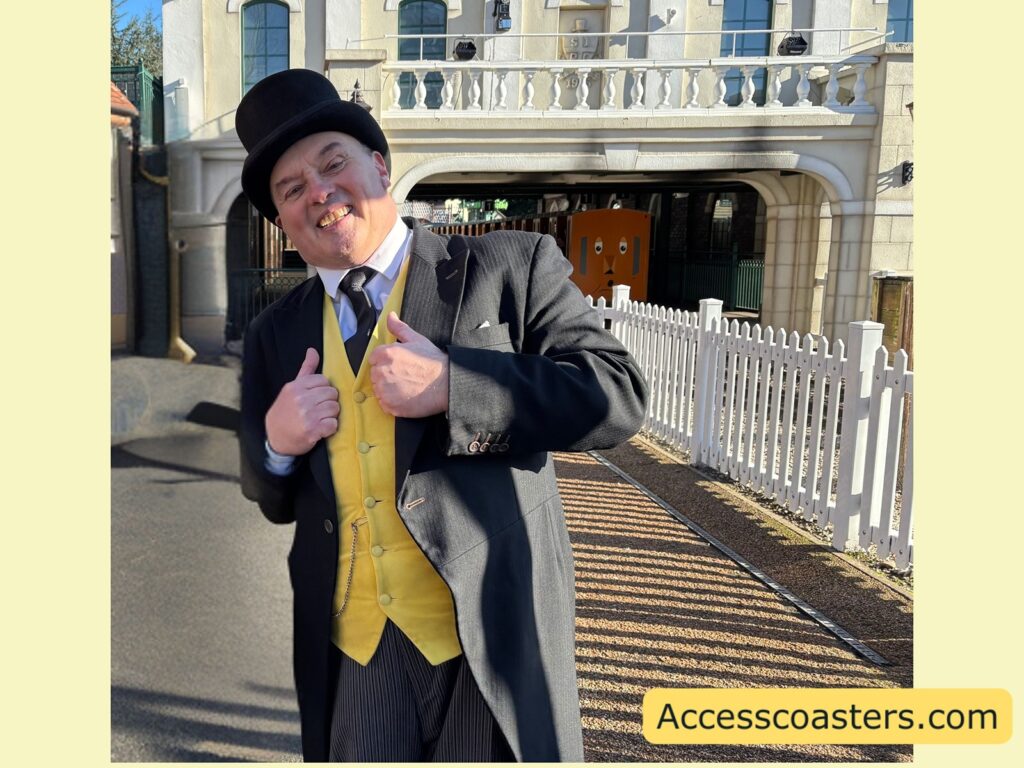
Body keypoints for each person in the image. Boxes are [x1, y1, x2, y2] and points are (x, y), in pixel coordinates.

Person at [236, 68, 647, 763]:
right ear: (283, 221)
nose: (319, 193)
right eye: (291, 188)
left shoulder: (507, 266)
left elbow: (616, 394)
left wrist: (459, 385)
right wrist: (274, 444)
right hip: (358, 646)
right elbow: (270, 491)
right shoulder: (276, 332)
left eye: (332, 164)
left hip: (487, 634)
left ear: (379, 164)